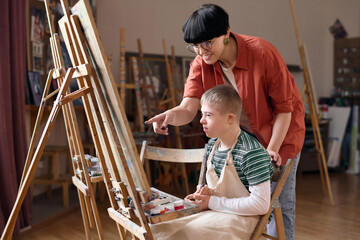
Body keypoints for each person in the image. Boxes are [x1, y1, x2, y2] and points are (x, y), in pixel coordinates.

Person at [145, 4, 305, 239]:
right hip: (244, 142)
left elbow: (284, 111)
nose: (201, 52)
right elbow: (188, 108)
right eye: (195, 46)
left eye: (207, 43)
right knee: (242, 202)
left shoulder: (262, 53)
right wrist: (170, 115)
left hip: (282, 133)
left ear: (227, 32)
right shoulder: (201, 63)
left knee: (277, 202)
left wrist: (271, 149)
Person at [150, 85, 273, 240]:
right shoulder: (213, 146)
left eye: (208, 115)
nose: (201, 120)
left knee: (188, 233)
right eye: (202, 114)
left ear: (230, 118)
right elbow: (219, 192)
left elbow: (260, 205)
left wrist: (212, 202)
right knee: (162, 227)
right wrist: (203, 195)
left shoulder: (251, 152)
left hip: (246, 219)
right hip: (219, 212)